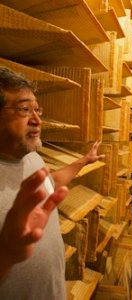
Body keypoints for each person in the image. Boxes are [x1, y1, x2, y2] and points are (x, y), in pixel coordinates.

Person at [0, 67, 102, 299]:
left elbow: (51, 182)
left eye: (38, 110)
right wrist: (6, 253)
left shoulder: (32, 159)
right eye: (24, 109)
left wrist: (83, 161)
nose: (36, 120)